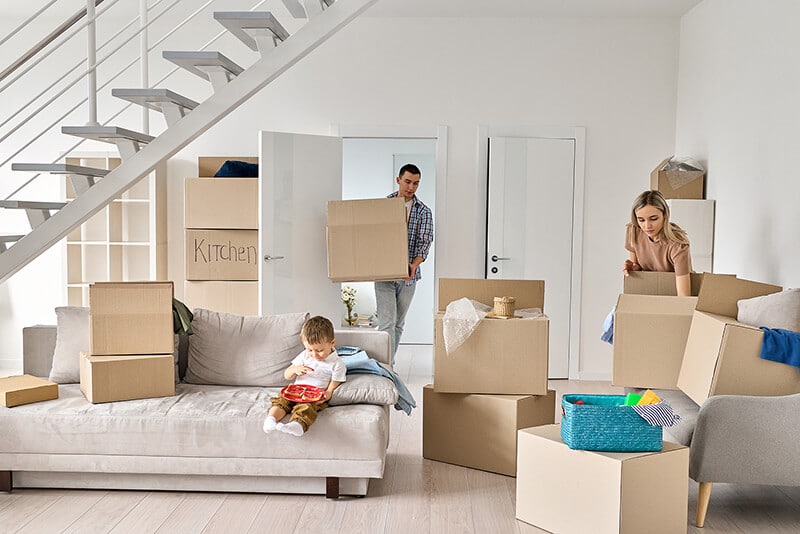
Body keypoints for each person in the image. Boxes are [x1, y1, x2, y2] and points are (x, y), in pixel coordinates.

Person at [374, 163, 434, 362]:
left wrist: (413, 265)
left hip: (409, 276)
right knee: (386, 323)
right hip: (384, 274)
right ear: (398, 180)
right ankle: (385, 366)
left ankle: (388, 363)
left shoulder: (424, 212)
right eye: (407, 182)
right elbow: (374, 239)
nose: (411, 187)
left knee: (398, 324)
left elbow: (424, 243)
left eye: (416, 183)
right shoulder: (382, 206)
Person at [262, 316, 346, 437]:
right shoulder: (305, 356)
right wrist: (295, 369)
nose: (314, 355)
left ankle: (297, 425)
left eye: (319, 350)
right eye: (310, 350)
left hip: (314, 396)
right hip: (296, 391)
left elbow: (335, 381)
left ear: (332, 343)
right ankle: (271, 420)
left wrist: (328, 392)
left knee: (306, 407)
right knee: (281, 401)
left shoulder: (337, 364)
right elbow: (287, 375)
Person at [622, 190, 693, 297]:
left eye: (653, 219)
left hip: (672, 295)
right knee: (614, 312)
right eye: (641, 220)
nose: (647, 226)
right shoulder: (634, 231)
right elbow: (638, 269)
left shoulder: (678, 244)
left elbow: (684, 296)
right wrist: (634, 269)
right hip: (650, 291)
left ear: (664, 215)